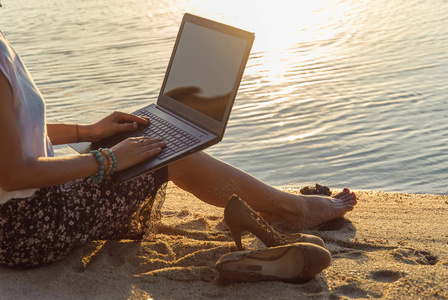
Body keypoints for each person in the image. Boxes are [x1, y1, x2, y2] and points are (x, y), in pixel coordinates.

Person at [0, 26, 357, 268]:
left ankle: (273, 205)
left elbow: (11, 132)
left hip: (17, 216)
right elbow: (13, 173)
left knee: (141, 140)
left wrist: (89, 130)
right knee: (166, 154)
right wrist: (107, 158)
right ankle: (292, 208)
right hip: (28, 227)